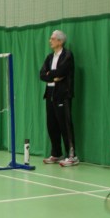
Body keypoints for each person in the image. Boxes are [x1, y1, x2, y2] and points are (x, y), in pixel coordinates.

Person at [39, 30, 78, 166]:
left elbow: (62, 71)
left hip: (62, 94)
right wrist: (53, 77)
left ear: (60, 41)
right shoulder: (49, 57)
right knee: (52, 125)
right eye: (50, 38)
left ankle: (72, 156)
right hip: (50, 93)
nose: (50, 41)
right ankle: (56, 153)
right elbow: (42, 74)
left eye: (53, 38)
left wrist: (51, 74)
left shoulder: (67, 55)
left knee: (65, 125)